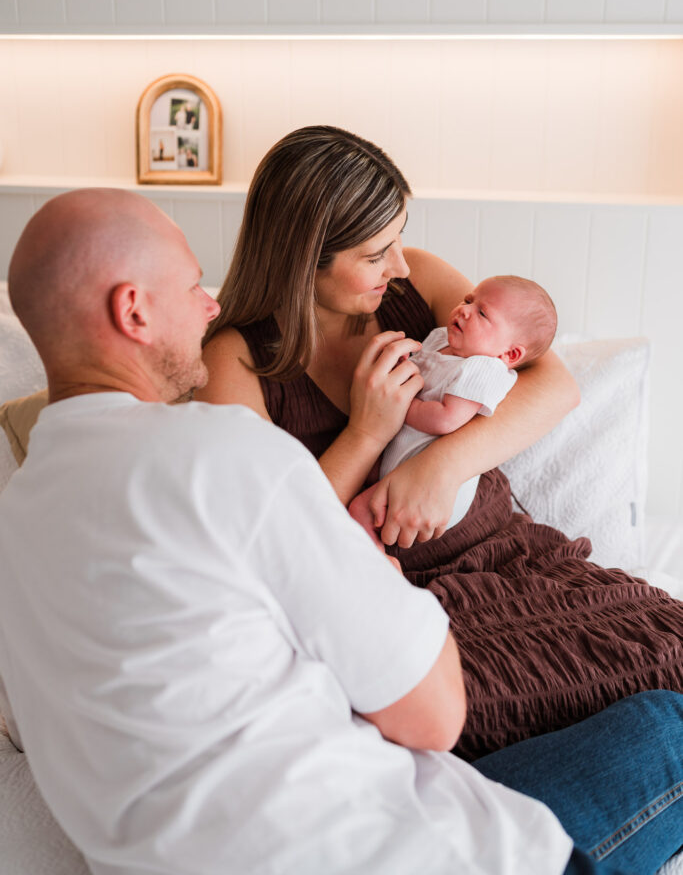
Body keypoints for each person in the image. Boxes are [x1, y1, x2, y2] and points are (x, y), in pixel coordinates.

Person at [0, 187, 681, 875]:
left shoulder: (16, 520)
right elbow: (435, 716)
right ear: (133, 310)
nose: (209, 303)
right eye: (189, 285)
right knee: (667, 728)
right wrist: (375, 568)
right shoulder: (221, 450)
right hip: (391, 852)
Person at [198, 124, 683, 763]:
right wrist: (366, 433)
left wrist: (446, 464)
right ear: (304, 253)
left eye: (398, 241)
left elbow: (552, 382)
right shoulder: (234, 360)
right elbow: (265, 539)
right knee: (453, 718)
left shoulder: (416, 284)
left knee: (666, 646)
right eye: (378, 254)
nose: (400, 265)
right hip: (394, 595)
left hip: (514, 561)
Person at [350, 274, 557, 539]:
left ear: (510, 354)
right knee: (359, 490)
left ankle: (381, 562)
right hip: (401, 453)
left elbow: (446, 419)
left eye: (482, 313)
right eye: (468, 300)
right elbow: (421, 372)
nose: (465, 309)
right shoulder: (441, 339)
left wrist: (400, 402)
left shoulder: (484, 368)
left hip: (428, 477)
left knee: (361, 511)